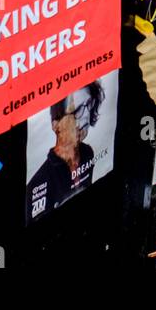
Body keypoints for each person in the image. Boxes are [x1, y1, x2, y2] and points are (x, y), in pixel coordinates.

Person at [25, 81, 104, 222]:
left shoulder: (87, 153)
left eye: (88, 105)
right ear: (56, 125)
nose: (85, 115)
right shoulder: (37, 184)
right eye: (77, 110)